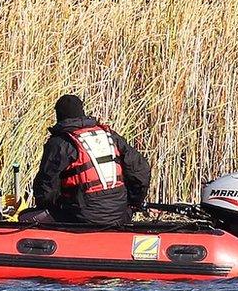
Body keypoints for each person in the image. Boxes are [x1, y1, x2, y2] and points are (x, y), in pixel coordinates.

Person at [21, 94, 151, 225]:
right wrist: (133, 202)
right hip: (120, 215)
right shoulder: (110, 136)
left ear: (58, 116)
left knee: (25, 217)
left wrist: (50, 206)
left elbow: (46, 189)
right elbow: (141, 170)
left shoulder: (59, 143)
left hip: (81, 217)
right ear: (82, 112)